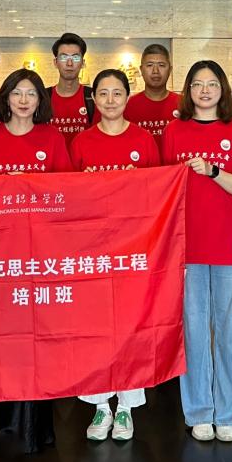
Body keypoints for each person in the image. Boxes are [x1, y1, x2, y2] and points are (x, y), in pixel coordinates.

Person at [0, 69, 71, 454]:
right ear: (6, 98)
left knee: (38, 337)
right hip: (0, 256)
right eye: (17, 92)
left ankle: (36, 425)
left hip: (40, 255)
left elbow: (67, 193)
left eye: (31, 93)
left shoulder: (52, 138)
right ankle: (0, 423)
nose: (24, 100)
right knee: (2, 336)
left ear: (40, 100)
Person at [161, 61, 232, 443]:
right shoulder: (174, 130)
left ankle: (229, 413)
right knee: (195, 332)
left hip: (231, 245)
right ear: (187, 90)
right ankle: (199, 411)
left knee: (230, 332)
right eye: (197, 84)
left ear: (223, 90)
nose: (204, 91)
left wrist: (213, 171)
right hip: (187, 246)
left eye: (212, 84)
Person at [70, 69, 160, 442]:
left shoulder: (143, 140)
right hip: (93, 250)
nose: (110, 100)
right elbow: (68, 199)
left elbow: (157, 194)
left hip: (133, 250)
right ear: (94, 99)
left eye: (117, 93)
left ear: (127, 97)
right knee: (95, 328)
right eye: (103, 93)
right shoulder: (81, 142)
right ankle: (100, 406)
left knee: (130, 328)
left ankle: (126, 406)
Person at [123, 44, 180, 150]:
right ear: (141, 69)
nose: (155, 71)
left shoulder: (184, 104)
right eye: (149, 65)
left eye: (161, 65)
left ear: (170, 69)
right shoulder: (128, 105)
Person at [46, 33, 96, 146]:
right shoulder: (43, 97)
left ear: (83, 63)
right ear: (55, 62)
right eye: (64, 57)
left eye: (75, 57)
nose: (69, 63)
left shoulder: (93, 97)